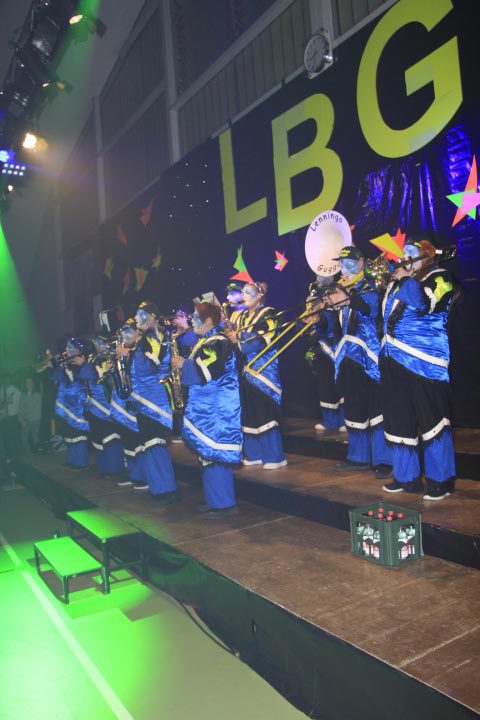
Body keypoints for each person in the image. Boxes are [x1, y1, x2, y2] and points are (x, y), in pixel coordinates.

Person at [379, 235, 456, 500]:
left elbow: (426, 304)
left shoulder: (441, 277)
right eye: (404, 252)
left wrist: (403, 280)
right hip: (393, 359)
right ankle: (405, 477)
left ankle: (441, 480)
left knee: (432, 420)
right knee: (398, 419)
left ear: (427, 254)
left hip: (425, 361)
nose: (406, 257)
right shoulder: (397, 281)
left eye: (412, 252)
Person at [324, 247, 391, 478]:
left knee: (376, 408)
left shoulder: (370, 284)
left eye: (348, 262)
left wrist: (346, 298)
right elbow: (332, 328)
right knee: (353, 407)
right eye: (341, 264)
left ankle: (383, 460)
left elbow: (371, 309)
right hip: (347, 357)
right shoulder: (343, 288)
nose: (343, 268)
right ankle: (358, 457)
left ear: (361, 263)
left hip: (368, 357)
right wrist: (323, 314)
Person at [172, 301, 242, 518]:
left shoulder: (218, 342)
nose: (192, 320)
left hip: (216, 410)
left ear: (209, 320)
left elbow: (206, 371)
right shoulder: (206, 341)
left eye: (196, 317)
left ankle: (224, 504)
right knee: (208, 455)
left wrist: (184, 364)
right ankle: (215, 500)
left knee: (215, 454)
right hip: (207, 408)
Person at [226, 281, 287, 469]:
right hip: (246, 371)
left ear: (260, 294)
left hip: (264, 372)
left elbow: (263, 339)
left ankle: (274, 457)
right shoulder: (242, 316)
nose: (244, 295)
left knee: (265, 414)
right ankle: (254, 454)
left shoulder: (269, 313)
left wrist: (238, 337)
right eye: (243, 292)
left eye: (248, 292)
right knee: (250, 414)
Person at [129, 301, 179, 503]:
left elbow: (148, 368)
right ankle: (160, 487)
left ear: (152, 316)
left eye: (141, 313)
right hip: (145, 399)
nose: (136, 318)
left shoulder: (157, 338)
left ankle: (165, 489)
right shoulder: (148, 339)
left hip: (154, 401)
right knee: (150, 444)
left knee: (155, 444)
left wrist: (129, 355)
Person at [303, 276, 345, 432]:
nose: (312, 306)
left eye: (315, 303)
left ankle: (345, 420)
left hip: (333, 351)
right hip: (317, 353)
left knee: (339, 385)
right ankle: (329, 420)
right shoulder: (311, 313)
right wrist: (305, 322)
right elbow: (305, 337)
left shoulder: (330, 311)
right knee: (324, 386)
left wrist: (318, 320)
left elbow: (330, 328)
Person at [79, 334, 124, 478]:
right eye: (96, 342)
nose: (99, 345)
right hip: (94, 406)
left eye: (101, 342)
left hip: (108, 405)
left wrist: (108, 370)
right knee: (98, 438)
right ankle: (104, 469)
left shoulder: (112, 358)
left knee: (111, 438)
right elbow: (85, 376)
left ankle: (116, 469)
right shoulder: (93, 358)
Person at [110, 319, 146, 488]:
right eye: (123, 332)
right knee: (128, 439)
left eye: (128, 331)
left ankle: (142, 476)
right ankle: (133, 473)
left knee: (138, 440)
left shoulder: (143, 346)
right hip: (125, 399)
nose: (125, 335)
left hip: (139, 400)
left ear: (138, 332)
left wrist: (128, 354)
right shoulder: (129, 348)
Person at [52, 338, 89, 469]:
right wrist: (57, 367)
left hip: (78, 403)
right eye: (67, 347)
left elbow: (82, 380)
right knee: (68, 432)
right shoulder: (66, 363)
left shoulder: (82, 362)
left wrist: (71, 369)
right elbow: (57, 380)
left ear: (78, 350)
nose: (68, 350)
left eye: (71, 347)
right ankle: (72, 459)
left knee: (78, 432)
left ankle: (80, 461)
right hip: (67, 403)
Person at [19, 377, 42, 452]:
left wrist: (25, 418)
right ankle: (28, 453)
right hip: (25, 420)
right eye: (27, 382)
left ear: (33, 384)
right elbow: (20, 408)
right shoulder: (23, 395)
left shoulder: (37, 395)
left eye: (30, 382)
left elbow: (32, 408)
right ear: (25, 384)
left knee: (35, 437)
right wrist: (21, 420)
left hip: (35, 419)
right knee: (23, 438)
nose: (28, 384)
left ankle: (37, 452)